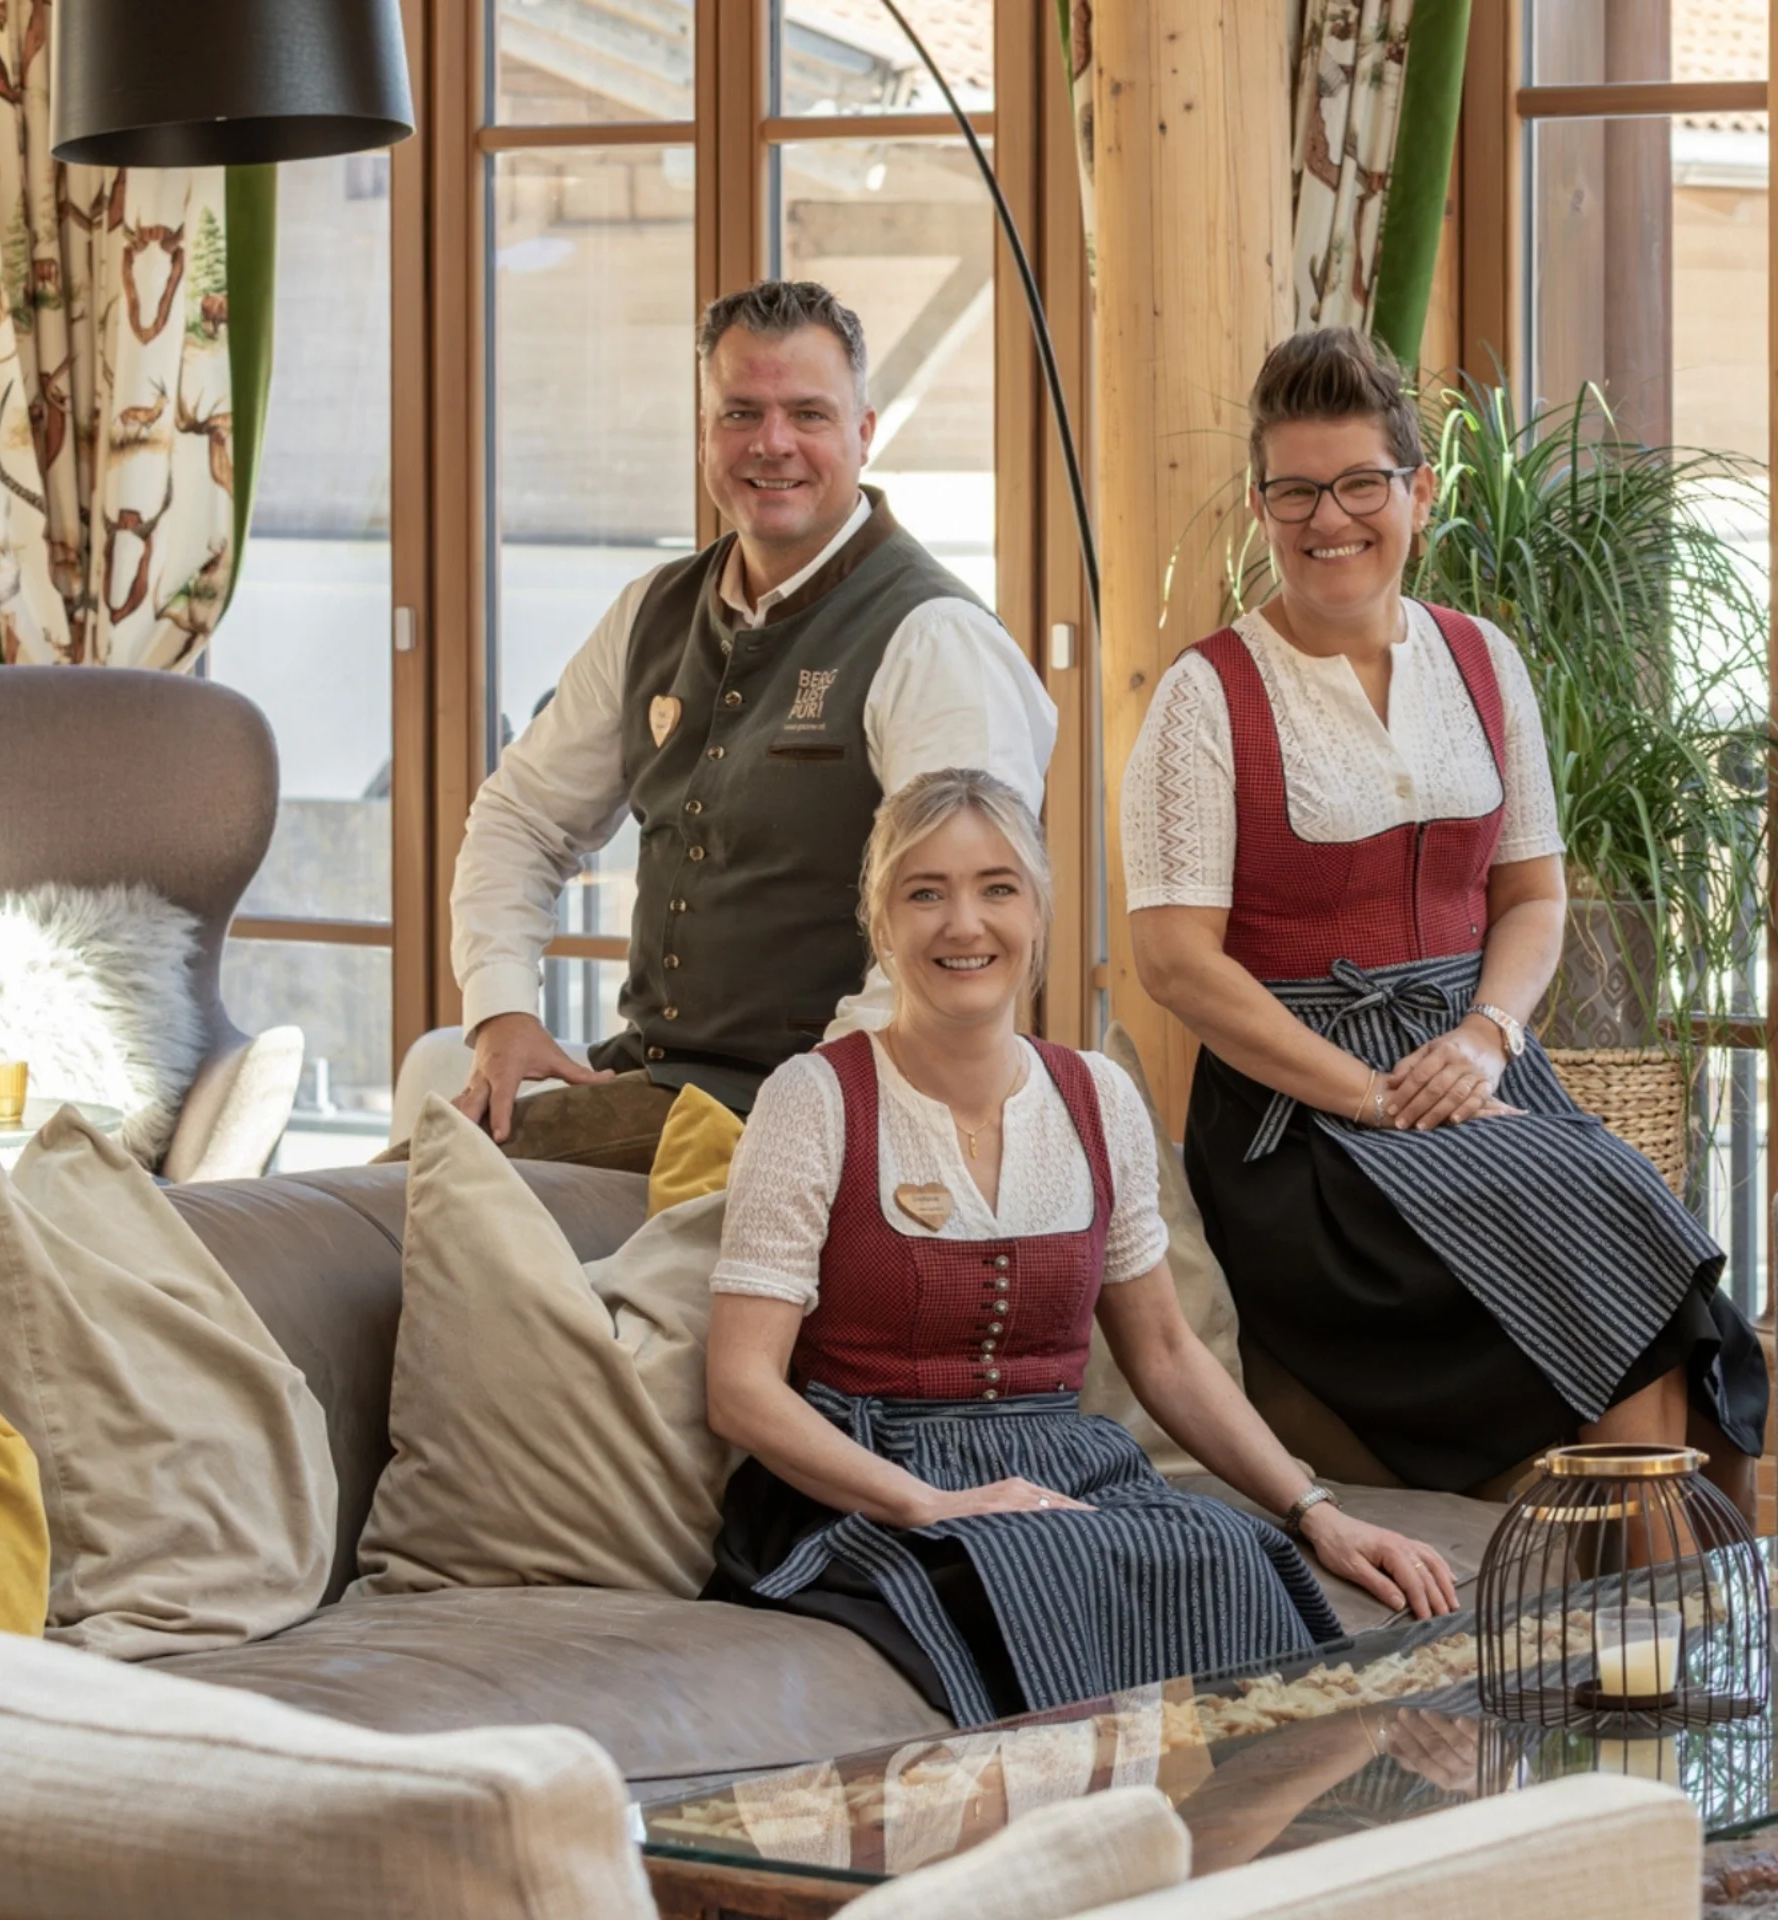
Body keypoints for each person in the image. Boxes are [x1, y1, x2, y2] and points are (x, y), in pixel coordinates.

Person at [1121, 326, 1767, 1503]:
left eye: (1361, 483)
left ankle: (1658, 1644)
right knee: (1623, 1229)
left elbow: (1532, 894)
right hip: (1303, 1127)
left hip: (1479, 1073)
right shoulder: (1203, 696)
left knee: (1664, 1277)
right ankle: (1658, 1654)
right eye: (1296, 492)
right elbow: (1173, 964)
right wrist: (1366, 1092)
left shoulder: (1484, 661)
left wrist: (1485, 1037)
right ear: (1263, 507)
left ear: (1419, 492)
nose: (1331, 520)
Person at [702, 767, 1456, 1730]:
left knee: (1224, 1554)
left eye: (997, 889)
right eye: (924, 892)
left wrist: (1316, 1511)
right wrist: (930, 1505)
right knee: (1042, 1557)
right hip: (865, 1480)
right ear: (881, 925)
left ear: (1040, 916)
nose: (964, 924)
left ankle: (1248, 1866)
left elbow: (1170, 1356)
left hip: (1067, 1466)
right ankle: (1084, 1858)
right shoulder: (813, 1099)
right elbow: (742, 1387)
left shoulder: (1098, 1098)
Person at [447, 280, 1057, 1171]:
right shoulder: (652, 610)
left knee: (400, 1207)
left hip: (830, 1116)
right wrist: (501, 1013)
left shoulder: (936, 641)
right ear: (703, 435)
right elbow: (521, 819)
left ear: (863, 433)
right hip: (653, 1088)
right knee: (380, 1216)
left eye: (808, 413)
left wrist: (806, 1125)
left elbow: (954, 943)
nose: (772, 443)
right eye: (741, 413)